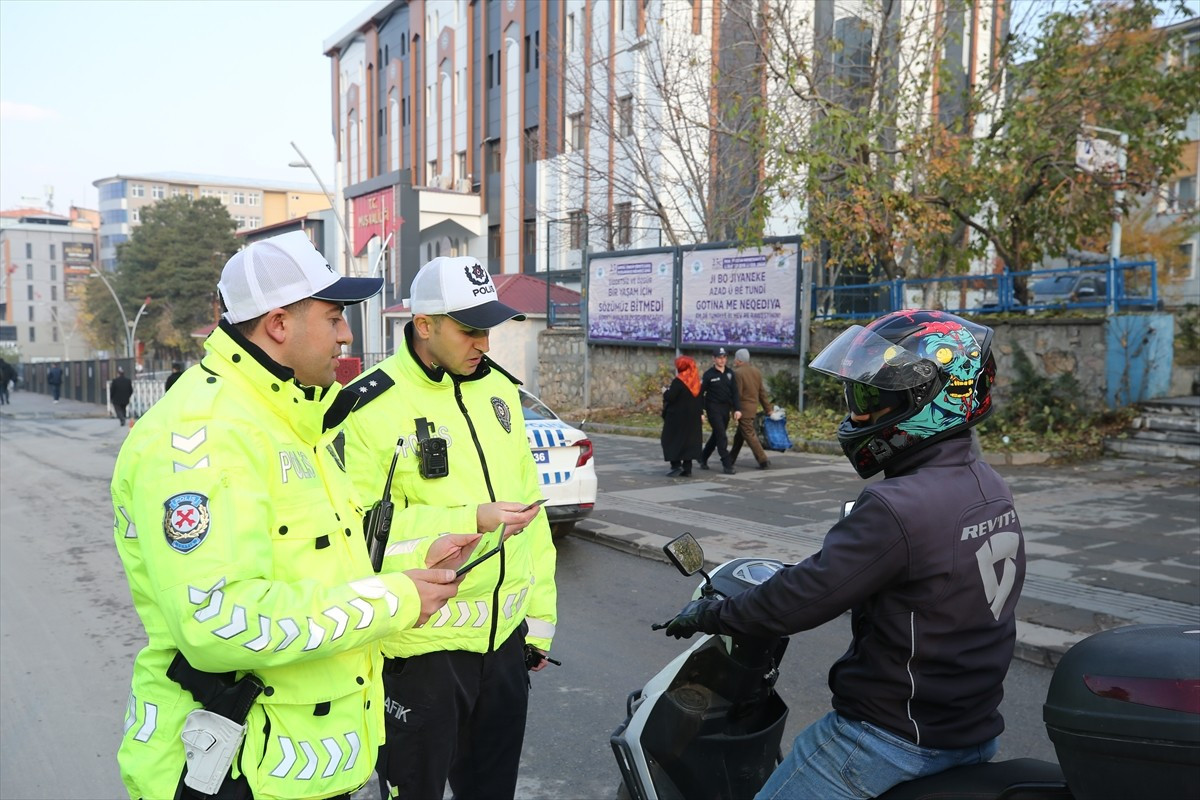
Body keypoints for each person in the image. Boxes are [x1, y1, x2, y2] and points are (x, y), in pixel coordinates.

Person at [111, 231, 476, 800]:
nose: (346, 333)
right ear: (279, 324)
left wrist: (410, 565)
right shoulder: (205, 437)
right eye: (333, 316)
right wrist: (396, 599)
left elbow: (311, 563)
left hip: (295, 762)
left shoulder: (289, 417)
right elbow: (220, 618)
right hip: (231, 771)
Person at [664, 310, 1026, 800]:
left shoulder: (899, 506)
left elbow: (802, 600)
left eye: (874, 399)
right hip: (971, 731)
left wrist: (715, 613)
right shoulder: (989, 486)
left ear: (926, 400)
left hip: (887, 739)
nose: (861, 414)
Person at [342, 256, 557, 800]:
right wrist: (468, 520)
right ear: (424, 325)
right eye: (468, 329)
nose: (482, 342)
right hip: (422, 654)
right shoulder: (368, 407)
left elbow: (532, 517)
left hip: (505, 648)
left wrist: (539, 621)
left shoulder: (500, 393)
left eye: (487, 327)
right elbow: (358, 535)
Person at [728, 348, 773, 470]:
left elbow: (737, 394)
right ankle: (730, 458)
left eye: (736, 359)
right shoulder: (756, 372)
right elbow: (762, 392)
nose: (734, 361)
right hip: (753, 408)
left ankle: (763, 459)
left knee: (749, 434)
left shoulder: (737, 373)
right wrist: (768, 409)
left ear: (739, 360)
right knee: (740, 435)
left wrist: (734, 410)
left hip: (743, 409)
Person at [660, 355, 704, 477]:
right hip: (693, 418)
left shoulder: (679, 381)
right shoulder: (696, 382)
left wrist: (664, 390)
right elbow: (701, 400)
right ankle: (687, 468)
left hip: (676, 419)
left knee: (669, 439)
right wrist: (701, 413)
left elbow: (670, 397)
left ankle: (676, 465)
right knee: (688, 442)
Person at [699, 346, 740, 474]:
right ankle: (727, 464)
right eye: (719, 358)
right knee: (722, 435)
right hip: (713, 408)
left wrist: (737, 409)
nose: (722, 360)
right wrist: (701, 412)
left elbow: (735, 393)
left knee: (716, 436)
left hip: (725, 408)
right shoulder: (708, 375)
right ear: (714, 359)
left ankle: (703, 457)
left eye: (724, 357)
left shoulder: (730, 373)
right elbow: (700, 394)